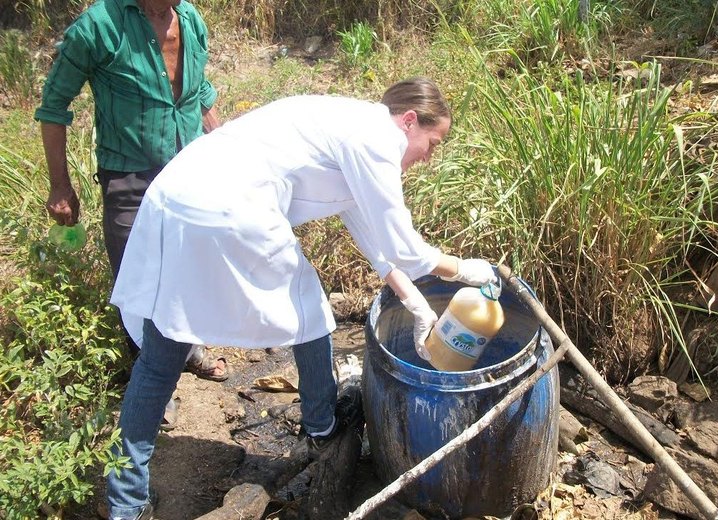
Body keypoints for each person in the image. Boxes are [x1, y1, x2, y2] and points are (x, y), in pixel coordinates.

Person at [105, 76, 496, 519]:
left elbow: (378, 245)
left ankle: (126, 503)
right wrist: (464, 269)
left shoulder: (348, 125)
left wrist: (418, 306)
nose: (429, 157)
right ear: (409, 121)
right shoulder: (377, 140)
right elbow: (406, 248)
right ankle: (322, 426)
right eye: (433, 142)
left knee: (161, 354)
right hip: (228, 204)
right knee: (309, 311)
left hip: (177, 194)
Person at [33, 0, 228, 427]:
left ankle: (188, 349)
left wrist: (230, 146)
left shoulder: (190, 19)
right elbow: (54, 106)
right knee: (138, 282)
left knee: (191, 266)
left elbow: (198, 91)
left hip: (189, 172)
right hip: (130, 181)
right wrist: (60, 185)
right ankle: (153, 379)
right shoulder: (98, 27)